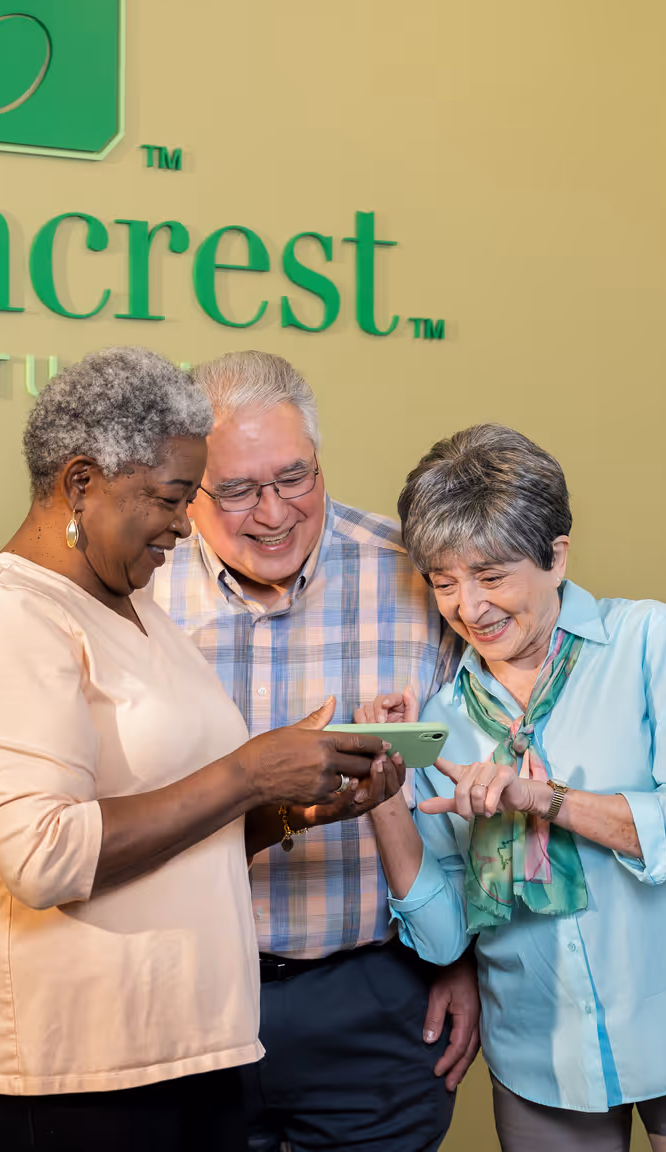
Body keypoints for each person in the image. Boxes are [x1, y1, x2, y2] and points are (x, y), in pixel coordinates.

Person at [0, 347, 403, 1152]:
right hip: (74, 1062)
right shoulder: (1, 621)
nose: (185, 523)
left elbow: (180, 831)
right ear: (80, 483)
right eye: (175, 497)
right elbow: (46, 859)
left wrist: (288, 811)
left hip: (186, 1045)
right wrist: (248, 772)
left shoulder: (131, 604)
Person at [362, 423, 666, 1152]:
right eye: (443, 581)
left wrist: (543, 800)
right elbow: (438, 940)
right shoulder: (442, 721)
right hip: (541, 1052)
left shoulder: (647, 640)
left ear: (557, 556)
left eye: (491, 575)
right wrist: (385, 793)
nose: (469, 607)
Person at [151, 350, 478, 1152]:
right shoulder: (134, 591)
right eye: (236, 490)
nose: (272, 513)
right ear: (189, 487)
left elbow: (470, 782)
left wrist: (464, 958)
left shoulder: (418, 574)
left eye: (294, 477)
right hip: (186, 998)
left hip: (375, 998)